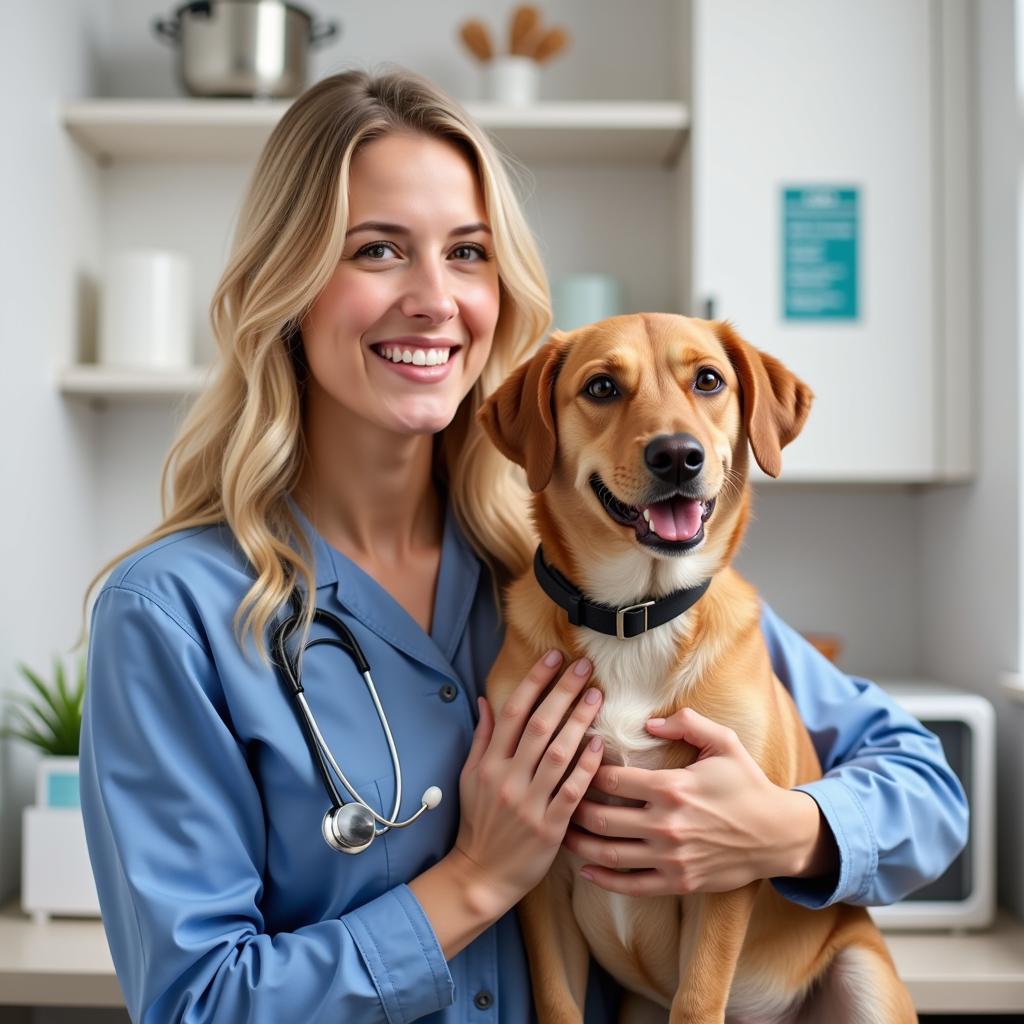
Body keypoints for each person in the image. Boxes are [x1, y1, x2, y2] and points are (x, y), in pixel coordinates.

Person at [78, 68, 967, 1024]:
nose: (433, 298)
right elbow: (195, 1005)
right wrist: (475, 878)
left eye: (467, 252)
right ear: (285, 287)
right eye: (377, 250)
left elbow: (922, 788)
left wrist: (784, 829)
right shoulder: (171, 618)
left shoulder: (592, 570)